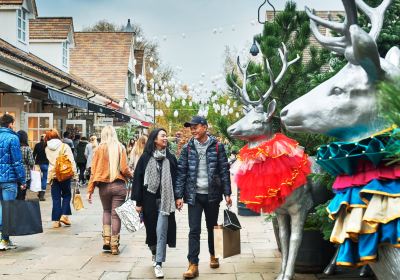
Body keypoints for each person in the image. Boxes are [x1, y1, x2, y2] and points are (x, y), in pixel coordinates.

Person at [175, 116, 232, 279]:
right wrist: (178, 195)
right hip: (194, 195)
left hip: (213, 195)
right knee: (194, 230)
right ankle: (193, 264)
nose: (192, 130)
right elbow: (181, 173)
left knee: (213, 227)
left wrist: (227, 193)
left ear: (205, 127)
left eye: (196, 126)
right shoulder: (187, 148)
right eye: (190, 127)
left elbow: (224, 170)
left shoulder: (217, 147)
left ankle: (214, 255)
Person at [132, 128, 177, 279]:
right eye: (162, 136)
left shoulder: (170, 158)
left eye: (165, 136)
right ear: (155, 139)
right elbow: (137, 180)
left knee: (161, 231)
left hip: (165, 201)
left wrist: (178, 197)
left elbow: (176, 180)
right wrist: (138, 202)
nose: (165, 138)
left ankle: (158, 263)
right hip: (148, 201)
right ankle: (153, 252)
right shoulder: (145, 158)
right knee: (151, 232)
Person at [87, 126, 132, 255]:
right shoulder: (120, 147)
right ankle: (114, 245)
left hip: (104, 187)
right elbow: (124, 169)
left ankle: (106, 240)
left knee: (106, 211)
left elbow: (93, 171)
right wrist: (132, 175)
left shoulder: (98, 149)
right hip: (119, 186)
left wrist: (90, 190)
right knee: (116, 214)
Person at [0, 114, 26, 250]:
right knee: (7, 209)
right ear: (10, 124)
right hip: (9, 179)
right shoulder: (13, 138)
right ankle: (3, 239)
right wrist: (22, 180)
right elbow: (17, 162)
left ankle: (4, 238)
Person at [45, 129, 77, 228]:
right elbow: (71, 161)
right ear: (57, 136)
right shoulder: (64, 146)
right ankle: (64, 215)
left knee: (56, 198)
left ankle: (56, 221)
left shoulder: (46, 148)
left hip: (53, 175)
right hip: (64, 174)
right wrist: (75, 175)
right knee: (67, 195)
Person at [16, 130, 35, 200]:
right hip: (25, 175)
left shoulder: (15, 147)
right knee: (22, 194)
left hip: (15, 175)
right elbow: (31, 162)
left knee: (16, 194)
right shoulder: (27, 148)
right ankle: (21, 209)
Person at [33, 134, 49, 201]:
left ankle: (39, 193)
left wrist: (33, 163)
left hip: (38, 164)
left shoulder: (37, 145)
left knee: (38, 179)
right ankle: (42, 194)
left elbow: (34, 154)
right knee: (44, 179)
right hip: (46, 164)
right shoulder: (48, 146)